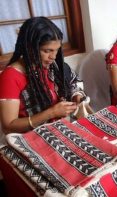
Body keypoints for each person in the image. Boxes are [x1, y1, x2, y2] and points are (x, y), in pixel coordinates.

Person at [0, 17, 85, 145]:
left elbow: (73, 82)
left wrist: (76, 96)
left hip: (57, 131)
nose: (53, 56)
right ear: (30, 48)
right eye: (47, 51)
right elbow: (9, 126)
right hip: (29, 141)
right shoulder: (10, 77)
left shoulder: (53, 65)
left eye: (57, 50)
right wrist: (51, 113)